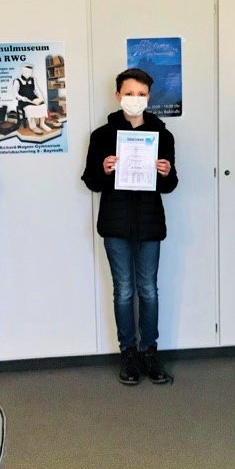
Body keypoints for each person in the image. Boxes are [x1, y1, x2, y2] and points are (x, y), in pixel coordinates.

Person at [81, 68, 178, 385]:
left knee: (148, 290)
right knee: (123, 290)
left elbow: (170, 185)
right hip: (115, 223)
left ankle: (150, 351)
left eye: (141, 94)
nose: (135, 99)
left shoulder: (162, 135)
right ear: (117, 96)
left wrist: (166, 172)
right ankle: (128, 353)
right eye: (129, 93)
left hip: (150, 223)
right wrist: (104, 169)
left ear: (149, 97)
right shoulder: (102, 135)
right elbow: (91, 181)